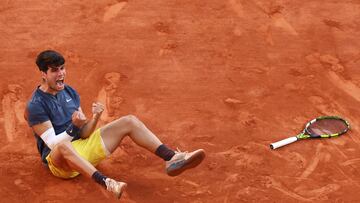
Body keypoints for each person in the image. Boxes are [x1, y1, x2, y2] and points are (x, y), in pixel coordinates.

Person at [24, 50, 206, 199]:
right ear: (43, 74)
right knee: (63, 146)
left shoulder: (70, 92)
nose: (61, 73)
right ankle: (107, 183)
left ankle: (172, 158)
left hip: (82, 150)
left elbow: (85, 134)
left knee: (129, 121)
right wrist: (73, 127)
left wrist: (95, 117)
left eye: (63, 68)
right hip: (61, 164)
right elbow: (54, 145)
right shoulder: (36, 106)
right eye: (55, 70)